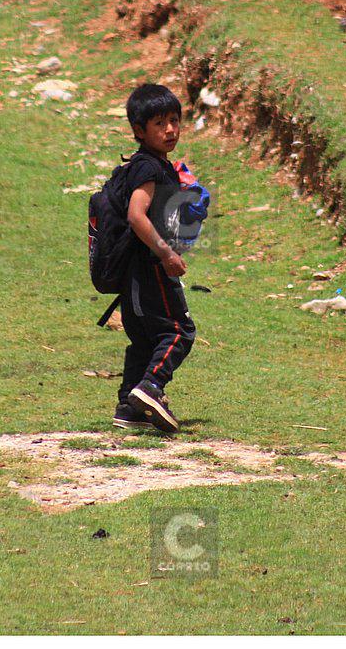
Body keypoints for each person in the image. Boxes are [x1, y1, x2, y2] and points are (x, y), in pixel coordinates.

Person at [111, 84, 196, 433]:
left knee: (145, 340)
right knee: (180, 331)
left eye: (174, 120)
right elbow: (136, 215)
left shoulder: (149, 165)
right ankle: (150, 388)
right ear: (138, 130)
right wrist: (166, 255)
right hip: (150, 267)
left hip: (133, 271)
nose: (170, 129)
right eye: (159, 123)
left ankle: (128, 407)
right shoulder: (148, 167)